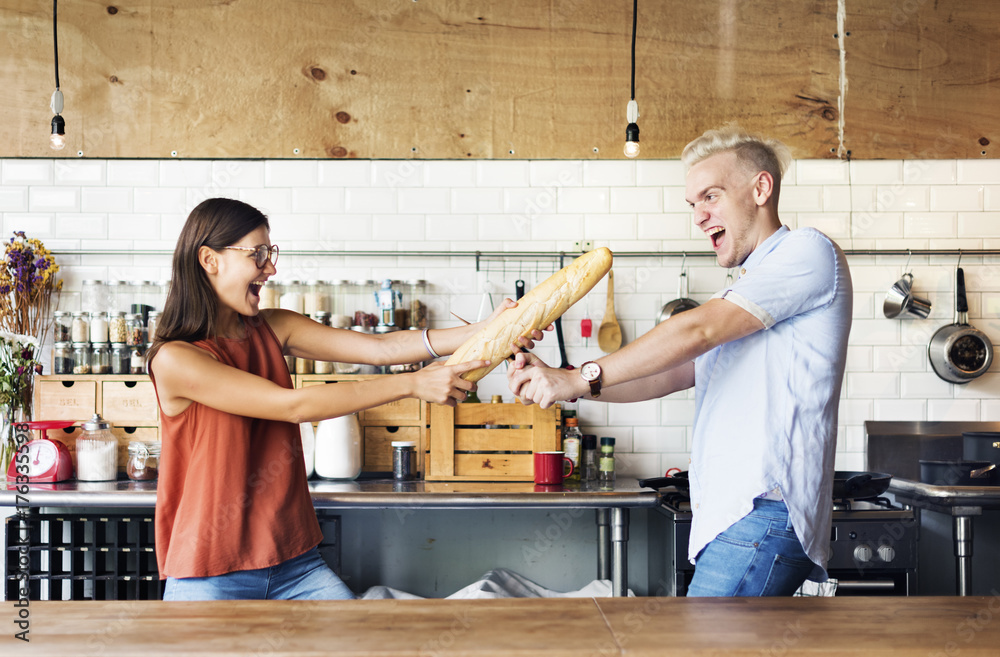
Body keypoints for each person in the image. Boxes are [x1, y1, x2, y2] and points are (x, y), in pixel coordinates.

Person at [508, 126, 853, 596]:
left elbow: (695, 330)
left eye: (711, 196)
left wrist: (582, 376)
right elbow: (669, 373)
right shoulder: (749, 289)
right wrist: (565, 379)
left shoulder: (807, 251)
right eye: (692, 205)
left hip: (763, 515)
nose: (699, 216)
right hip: (740, 519)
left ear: (761, 188)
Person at [147, 197, 540, 601]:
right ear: (209, 259)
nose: (271, 268)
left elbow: (381, 349)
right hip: (211, 571)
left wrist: (490, 329)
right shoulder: (176, 359)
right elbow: (291, 405)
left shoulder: (274, 326)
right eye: (258, 254)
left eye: (271, 253)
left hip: (295, 564)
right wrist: (412, 384)